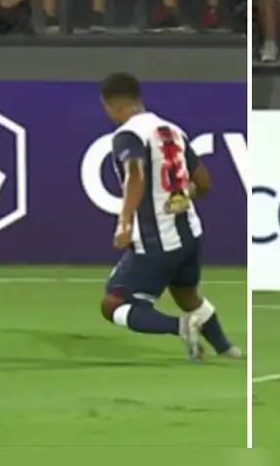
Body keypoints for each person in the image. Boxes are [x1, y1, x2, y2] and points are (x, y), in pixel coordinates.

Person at [98, 72, 240, 360]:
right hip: (189, 233)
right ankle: (226, 348)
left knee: (113, 303)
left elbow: (135, 174)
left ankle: (181, 326)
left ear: (113, 104)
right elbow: (204, 183)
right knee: (186, 295)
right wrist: (180, 196)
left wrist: (124, 222)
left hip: (156, 239)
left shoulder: (127, 135)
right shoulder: (172, 130)